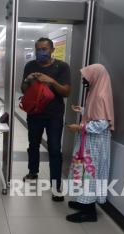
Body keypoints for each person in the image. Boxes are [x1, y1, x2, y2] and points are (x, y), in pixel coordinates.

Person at [21, 37, 71, 202]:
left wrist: (51, 81)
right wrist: (28, 80)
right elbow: (23, 89)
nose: (41, 52)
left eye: (44, 49)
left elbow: (66, 92)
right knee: (33, 145)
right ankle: (33, 171)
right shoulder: (30, 65)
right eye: (38, 49)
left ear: (52, 50)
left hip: (54, 116)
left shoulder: (62, 67)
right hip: (34, 113)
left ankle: (56, 186)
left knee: (55, 149)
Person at [66, 63, 114, 223]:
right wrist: (82, 110)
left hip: (95, 142)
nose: (84, 81)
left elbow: (102, 123)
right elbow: (95, 113)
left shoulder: (100, 95)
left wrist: (79, 127)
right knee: (84, 170)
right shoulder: (96, 91)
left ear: (96, 76)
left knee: (89, 173)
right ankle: (83, 202)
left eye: (86, 77)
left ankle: (88, 211)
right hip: (89, 140)